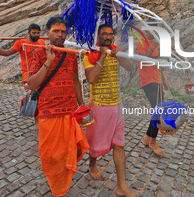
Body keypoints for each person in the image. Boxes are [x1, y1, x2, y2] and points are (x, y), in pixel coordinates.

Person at [27, 16, 89, 197]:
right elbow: (31, 84)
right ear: (47, 34)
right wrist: (48, 61)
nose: (60, 34)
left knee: (72, 149)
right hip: (49, 112)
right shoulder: (38, 53)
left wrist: (82, 105)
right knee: (51, 155)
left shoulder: (71, 54)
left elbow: (76, 81)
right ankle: (58, 189)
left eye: (63, 31)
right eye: (56, 31)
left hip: (70, 112)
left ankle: (65, 185)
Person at [83, 24, 138, 197]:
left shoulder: (116, 51)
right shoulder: (89, 54)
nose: (107, 37)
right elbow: (91, 78)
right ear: (97, 36)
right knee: (94, 142)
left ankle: (122, 186)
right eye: (104, 34)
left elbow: (130, 68)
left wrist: (118, 56)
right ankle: (92, 164)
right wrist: (102, 57)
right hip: (98, 107)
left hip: (117, 106)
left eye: (110, 35)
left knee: (119, 144)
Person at [136, 30, 169, 156]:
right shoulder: (141, 43)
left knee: (158, 110)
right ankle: (153, 141)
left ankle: (147, 137)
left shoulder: (157, 44)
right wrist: (154, 46)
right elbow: (144, 61)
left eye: (156, 31)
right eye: (152, 30)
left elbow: (157, 63)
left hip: (157, 79)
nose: (155, 33)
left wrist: (164, 81)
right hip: (147, 80)